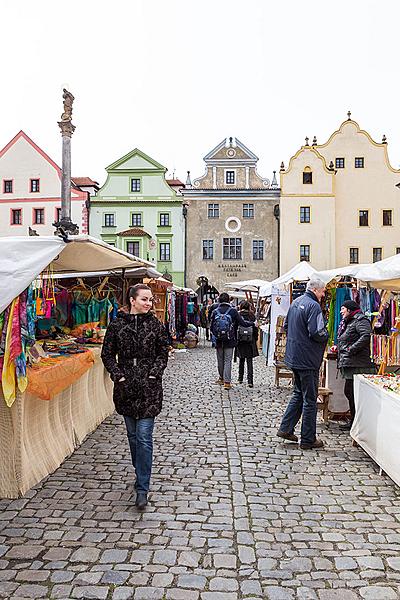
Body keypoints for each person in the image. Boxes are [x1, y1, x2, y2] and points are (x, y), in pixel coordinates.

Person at [101, 284, 169, 509]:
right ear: (132, 300)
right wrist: (118, 375)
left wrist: (154, 374)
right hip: (126, 387)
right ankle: (140, 471)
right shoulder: (117, 325)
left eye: (150, 300)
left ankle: (142, 488)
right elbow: (107, 354)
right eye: (145, 299)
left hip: (149, 388)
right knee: (132, 437)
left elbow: (163, 352)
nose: (149, 303)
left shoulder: (155, 325)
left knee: (143, 437)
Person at [277, 278, 328, 450]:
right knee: (310, 399)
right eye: (322, 291)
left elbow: (285, 326)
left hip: (295, 357)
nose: (323, 295)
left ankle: (285, 428)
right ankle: (308, 439)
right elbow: (317, 332)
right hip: (307, 359)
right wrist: (326, 335)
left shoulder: (296, 302)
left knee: (299, 393)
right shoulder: (313, 306)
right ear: (315, 290)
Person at [337, 299, 375, 430]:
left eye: (343, 309)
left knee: (352, 392)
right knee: (350, 392)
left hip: (358, 363)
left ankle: (356, 422)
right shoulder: (349, 321)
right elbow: (348, 337)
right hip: (351, 362)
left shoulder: (360, 320)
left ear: (349, 309)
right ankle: (354, 421)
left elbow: (365, 336)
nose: (341, 311)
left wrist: (350, 349)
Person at [210, 292, 253, 390]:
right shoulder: (233, 311)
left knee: (220, 360)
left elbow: (211, 327)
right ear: (229, 300)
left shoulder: (215, 311)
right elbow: (242, 323)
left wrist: (216, 335)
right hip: (230, 340)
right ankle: (227, 382)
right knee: (227, 360)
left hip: (218, 340)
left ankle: (221, 378)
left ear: (219, 300)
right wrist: (252, 324)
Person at [235, 300, 258, 388]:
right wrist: (254, 339)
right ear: (249, 307)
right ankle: (250, 381)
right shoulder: (252, 315)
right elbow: (255, 328)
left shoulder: (238, 314)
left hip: (240, 341)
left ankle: (240, 378)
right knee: (249, 361)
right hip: (250, 341)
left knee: (241, 359)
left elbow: (235, 326)